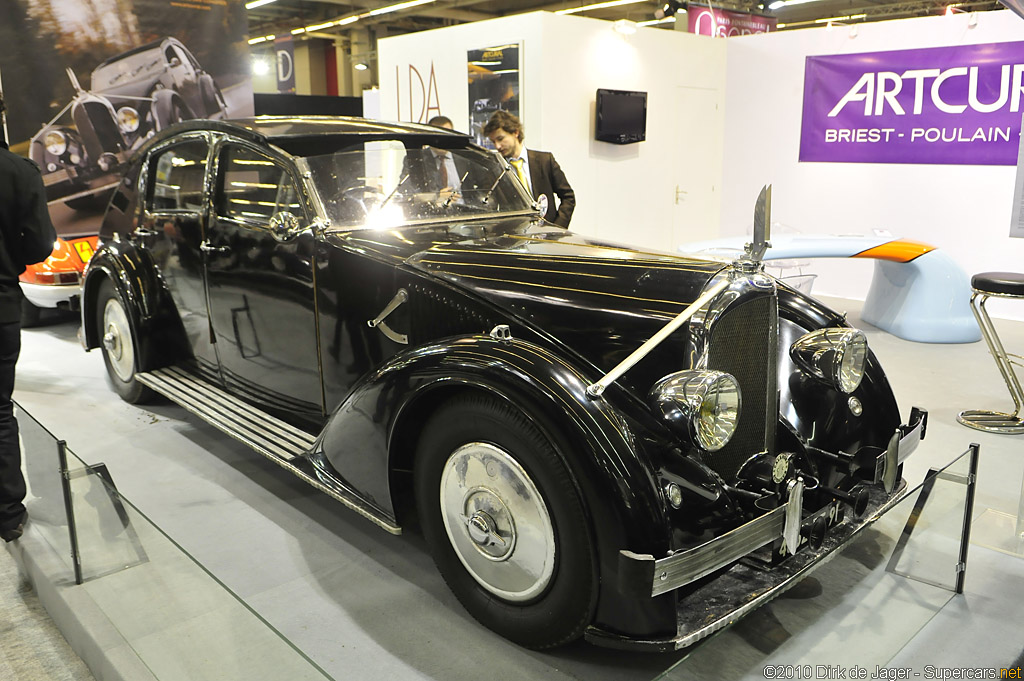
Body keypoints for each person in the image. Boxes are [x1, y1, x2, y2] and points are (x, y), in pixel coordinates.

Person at [0, 92, 57, 542]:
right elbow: (39, 247)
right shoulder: (20, 172)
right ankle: (7, 514)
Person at [483, 110, 575, 227]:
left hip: (548, 237)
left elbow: (568, 197)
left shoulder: (545, 160)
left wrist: (558, 228)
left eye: (500, 139)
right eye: (493, 142)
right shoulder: (495, 170)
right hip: (515, 238)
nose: (497, 146)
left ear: (515, 132)